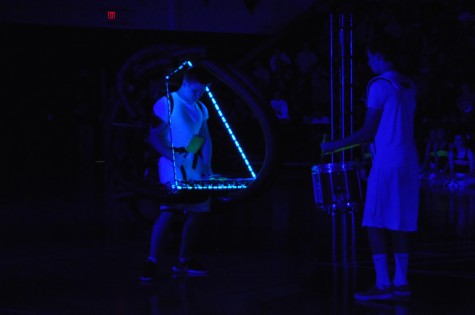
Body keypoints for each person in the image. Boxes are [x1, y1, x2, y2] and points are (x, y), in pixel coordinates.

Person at [321, 33, 419, 300]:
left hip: (388, 160)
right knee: (400, 221)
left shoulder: (379, 85)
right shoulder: (409, 84)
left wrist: (333, 146)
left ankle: (383, 285)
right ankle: (401, 282)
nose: (368, 61)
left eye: (370, 56)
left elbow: (367, 131)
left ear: (378, 54)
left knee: (375, 221)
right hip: (409, 159)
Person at [140, 65, 214, 281]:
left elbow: (203, 136)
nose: (199, 94)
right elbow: (154, 137)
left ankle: (184, 260)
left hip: (191, 163)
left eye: (202, 91)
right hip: (170, 163)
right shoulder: (167, 103)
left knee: (199, 211)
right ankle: (151, 260)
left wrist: (203, 163)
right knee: (169, 210)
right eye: (196, 90)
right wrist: (175, 158)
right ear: (186, 82)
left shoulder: (200, 107)